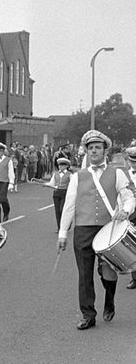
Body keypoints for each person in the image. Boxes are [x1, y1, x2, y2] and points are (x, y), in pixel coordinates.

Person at [57, 130, 135, 330]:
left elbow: (128, 197)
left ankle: (109, 299)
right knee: (84, 274)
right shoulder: (78, 176)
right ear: (86, 151)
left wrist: (125, 211)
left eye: (97, 147)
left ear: (104, 151)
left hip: (107, 229)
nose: (94, 151)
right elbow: (69, 206)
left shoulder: (116, 173)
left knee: (108, 271)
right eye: (90, 148)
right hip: (83, 229)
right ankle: (88, 314)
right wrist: (63, 233)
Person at [45, 157, 72, 232]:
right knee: (57, 211)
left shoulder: (70, 174)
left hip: (65, 193)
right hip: (56, 193)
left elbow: (72, 185)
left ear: (67, 166)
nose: (60, 166)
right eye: (59, 165)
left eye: (63, 165)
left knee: (62, 210)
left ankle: (67, 224)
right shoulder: (55, 174)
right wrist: (46, 184)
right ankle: (59, 227)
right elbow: (51, 183)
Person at [123, 146, 136, 289]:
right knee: (132, 246)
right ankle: (135, 277)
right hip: (131, 213)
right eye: (132, 162)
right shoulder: (124, 175)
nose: (134, 165)